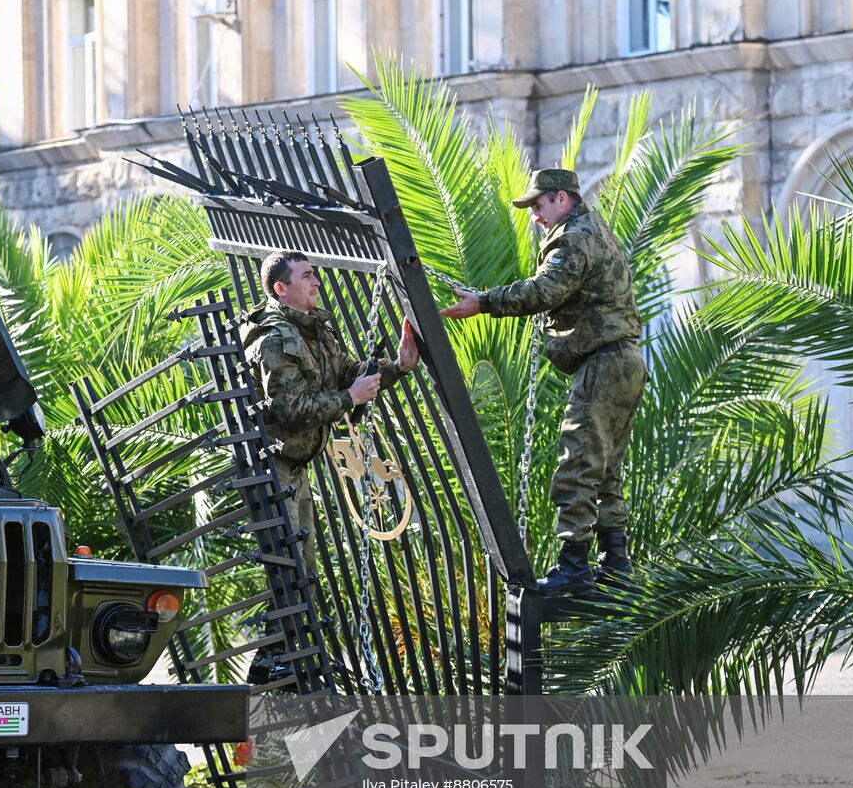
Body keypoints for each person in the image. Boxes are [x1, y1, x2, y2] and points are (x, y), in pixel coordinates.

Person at [438, 168, 647, 596]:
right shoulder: (596, 229)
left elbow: (545, 290)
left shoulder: (573, 235)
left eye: (538, 205)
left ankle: (573, 569)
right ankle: (616, 564)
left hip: (604, 361)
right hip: (622, 360)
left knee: (578, 463)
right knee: (604, 470)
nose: (535, 216)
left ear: (562, 199)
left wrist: (484, 303)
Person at [240, 250, 421, 573]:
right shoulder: (273, 339)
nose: (317, 282)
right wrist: (349, 399)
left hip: (293, 466)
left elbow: (346, 372)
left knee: (303, 570)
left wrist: (398, 367)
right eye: (306, 276)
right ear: (281, 289)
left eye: (314, 274)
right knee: (289, 574)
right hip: (270, 468)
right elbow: (290, 410)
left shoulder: (313, 328)